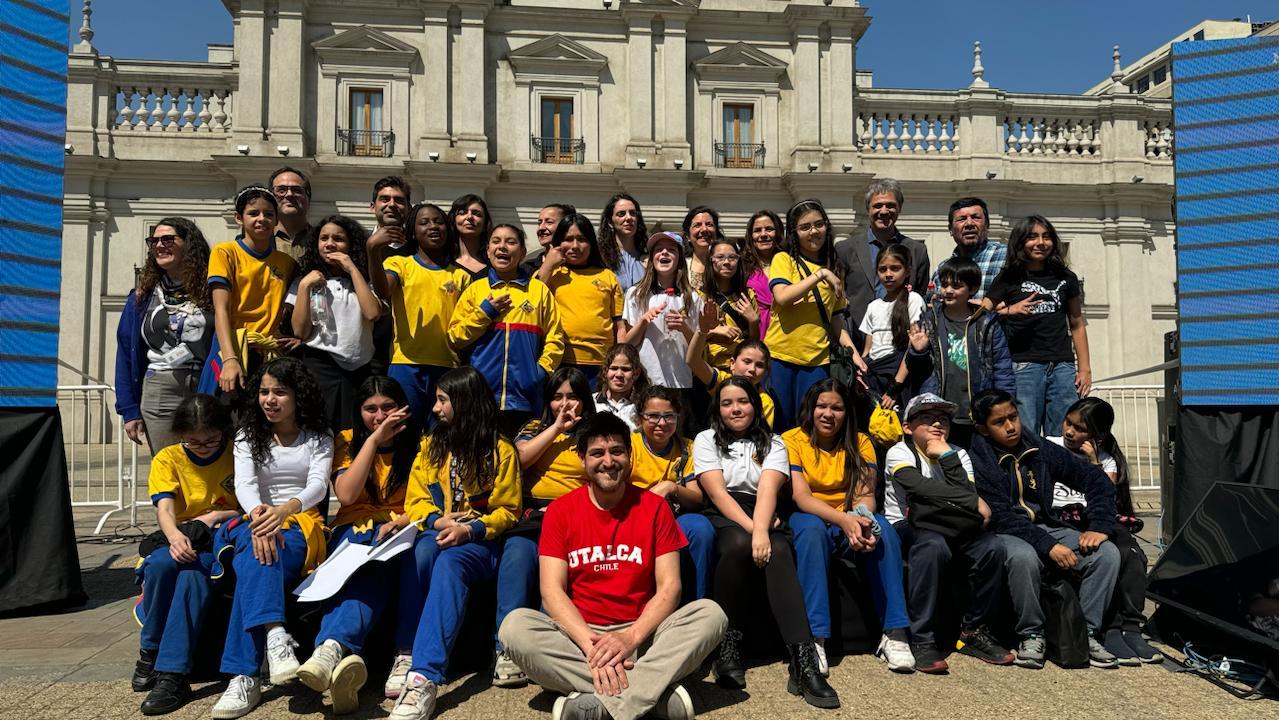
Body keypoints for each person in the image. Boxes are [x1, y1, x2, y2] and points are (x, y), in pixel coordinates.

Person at [500, 413, 728, 720]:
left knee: (711, 614)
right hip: (581, 641)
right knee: (515, 627)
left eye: (617, 451)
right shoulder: (560, 512)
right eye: (597, 453)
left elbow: (671, 587)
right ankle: (651, 695)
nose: (609, 461)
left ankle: (600, 706)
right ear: (582, 459)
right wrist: (592, 647)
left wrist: (631, 638)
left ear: (629, 455)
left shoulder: (654, 508)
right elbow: (551, 592)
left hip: (644, 636)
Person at [386, 367, 522, 720]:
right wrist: (438, 520)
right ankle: (406, 652)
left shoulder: (500, 449)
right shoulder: (432, 445)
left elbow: (508, 510)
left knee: (449, 560)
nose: (434, 408)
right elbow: (415, 500)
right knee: (422, 551)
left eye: (443, 400)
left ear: (465, 402)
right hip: (439, 532)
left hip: (483, 543)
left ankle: (424, 677)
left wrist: (471, 530)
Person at [694, 377, 837, 709]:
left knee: (781, 550)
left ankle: (803, 662)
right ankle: (727, 647)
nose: (735, 408)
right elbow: (716, 493)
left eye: (742, 401)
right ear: (717, 408)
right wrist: (755, 531)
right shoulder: (705, 439)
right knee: (738, 545)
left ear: (755, 406)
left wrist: (762, 529)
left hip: (764, 507)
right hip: (725, 511)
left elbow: (769, 490)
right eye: (727, 402)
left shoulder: (774, 442)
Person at [212, 357, 332, 719]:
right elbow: (246, 485)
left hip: (300, 523)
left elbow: (318, 484)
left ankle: (244, 676)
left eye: (280, 392)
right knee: (257, 548)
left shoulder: (319, 435)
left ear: (298, 396)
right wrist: (262, 516)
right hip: (253, 519)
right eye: (264, 391)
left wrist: (284, 512)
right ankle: (277, 636)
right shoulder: (249, 434)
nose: (270, 399)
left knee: (253, 562)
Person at [968, 388, 1121, 670]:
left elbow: (1095, 480)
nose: (1011, 426)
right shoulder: (978, 459)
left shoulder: (1036, 446)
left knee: (1106, 553)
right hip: (1004, 533)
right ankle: (1031, 633)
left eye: (1013, 416)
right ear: (982, 428)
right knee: (1023, 557)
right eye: (999, 422)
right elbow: (1001, 516)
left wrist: (1100, 525)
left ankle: (1085, 633)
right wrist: (1048, 546)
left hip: (1045, 526)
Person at [295, 376, 419, 712]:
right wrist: (375, 440)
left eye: (388, 407)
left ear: (402, 408)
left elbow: (428, 501)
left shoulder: (421, 443)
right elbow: (347, 494)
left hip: (403, 527)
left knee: (379, 564)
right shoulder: (347, 441)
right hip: (354, 529)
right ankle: (342, 653)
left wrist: (401, 521)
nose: (380, 415)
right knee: (368, 565)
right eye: (370, 409)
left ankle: (330, 651)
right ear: (358, 411)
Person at [783, 379, 914, 674]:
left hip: (850, 515)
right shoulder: (791, 440)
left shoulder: (861, 441)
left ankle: (894, 633)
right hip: (811, 516)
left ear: (847, 412)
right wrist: (844, 520)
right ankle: (814, 638)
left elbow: (865, 496)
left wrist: (861, 522)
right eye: (822, 406)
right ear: (810, 409)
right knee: (811, 531)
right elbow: (801, 497)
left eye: (837, 408)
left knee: (885, 531)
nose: (828, 414)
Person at [884, 393, 1014, 674]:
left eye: (943, 419)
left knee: (992, 548)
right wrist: (971, 501)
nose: (936, 425)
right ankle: (921, 638)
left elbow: (966, 492)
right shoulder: (899, 452)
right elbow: (918, 488)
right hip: (908, 526)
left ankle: (973, 631)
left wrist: (944, 455)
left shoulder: (957, 453)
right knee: (933, 546)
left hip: (952, 525)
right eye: (926, 418)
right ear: (907, 427)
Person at [132, 395, 240, 715]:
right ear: (181, 435)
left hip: (220, 539)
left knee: (193, 575)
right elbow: (164, 508)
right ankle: (151, 650)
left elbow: (250, 504)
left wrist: (212, 518)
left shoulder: (237, 453)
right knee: (162, 564)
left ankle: (171, 673)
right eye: (193, 442)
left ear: (224, 431)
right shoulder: (168, 458)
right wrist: (176, 536)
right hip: (178, 535)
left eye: (211, 440)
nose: (203, 447)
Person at [495, 366, 599, 689]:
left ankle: (551, 650)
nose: (565, 404)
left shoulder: (595, 433)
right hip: (533, 514)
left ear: (585, 400)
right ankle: (506, 651)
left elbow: (604, 475)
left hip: (576, 515)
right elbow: (520, 459)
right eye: (557, 397)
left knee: (559, 568)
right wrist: (556, 428)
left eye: (572, 397)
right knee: (517, 554)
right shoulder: (533, 427)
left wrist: (566, 507)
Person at [1047, 397, 1162, 664]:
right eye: (1068, 423)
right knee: (1106, 554)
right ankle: (1110, 627)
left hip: (1093, 521)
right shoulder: (1049, 446)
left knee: (1131, 553)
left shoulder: (1106, 462)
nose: (1070, 432)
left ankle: (1130, 628)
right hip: (1062, 520)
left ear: (1097, 436)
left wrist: (1093, 461)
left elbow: (1103, 498)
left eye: (1080, 429)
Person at [448, 224, 564, 435]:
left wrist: (541, 372)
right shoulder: (475, 290)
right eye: (496, 241)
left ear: (522, 252)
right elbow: (456, 337)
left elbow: (555, 337)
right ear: (488, 250)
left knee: (523, 458)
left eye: (510, 242)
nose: (502, 247)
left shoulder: (538, 291)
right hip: (481, 397)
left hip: (526, 398)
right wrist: (485, 313)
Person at [984, 215, 1091, 437]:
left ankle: (1057, 473)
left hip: (1062, 366)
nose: (1040, 242)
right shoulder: (1008, 277)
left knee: (1063, 434)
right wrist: (1010, 310)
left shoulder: (1066, 277)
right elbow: (982, 313)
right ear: (1020, 242)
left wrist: (1084, 368)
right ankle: (1030, 473)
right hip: (1023, 366)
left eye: (1046, 236)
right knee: (1026, 432)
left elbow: (1077, 323)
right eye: (1032, 237)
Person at [766, 199, 866, 431]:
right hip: (781, 356)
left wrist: (853, 354)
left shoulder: (834, 267)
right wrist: (820, 275)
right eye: (805, 227)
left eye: (819, 224)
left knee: (809, 426)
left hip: (817, 360)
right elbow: (782, 296)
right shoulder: (784, 259)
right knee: (780, 426)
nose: (814, 231)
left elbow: (835, 318)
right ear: (795, 233)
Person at [116, 217, 214, 454]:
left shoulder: (214, 291)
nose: (160, 245)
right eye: (154, 240)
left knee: (208, 467)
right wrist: (129, 409)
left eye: (168, 239)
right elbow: (125, 352)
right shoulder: (141, 297)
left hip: (207, 386)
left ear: (190, 244)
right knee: (167, 469)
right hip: (160, 389)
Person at [370, 201, 471, 429]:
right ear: (413, 232)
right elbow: (383, 290)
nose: (433, 227)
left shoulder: (461, 276)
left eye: (438, 222)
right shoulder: (400, 264)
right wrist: (373, 250)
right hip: (406, 365)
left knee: (442, 436)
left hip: (447, 367)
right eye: (424, 222)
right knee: (403, 433)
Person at [287, 215, 381, 432]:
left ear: (350, 244)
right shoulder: (305, 279)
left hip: (358, 368)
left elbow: (373, 312)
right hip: (319, 365)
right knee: (317, 429)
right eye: (324, 238)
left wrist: (352, 269)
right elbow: (300, 331)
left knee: (353, 431)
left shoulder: (366, 279)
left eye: (338, 239)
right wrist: (304, 287)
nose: (330, 244)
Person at [207, 186, 299, 396]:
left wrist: (301, 337)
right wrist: (230, 360)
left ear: (276, 220)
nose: (262, 219)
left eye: (268, 214)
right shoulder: (225, 252)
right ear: (239, 218)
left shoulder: (287, 263)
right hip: (232, 348)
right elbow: (221, 309)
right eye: (253, 213)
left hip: (271, 355)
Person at [627, 386, 716, 603]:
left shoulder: (687, 447)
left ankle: (695, 605)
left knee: (700, 528)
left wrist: (671, 487)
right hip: (634, 514)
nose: (662, 423)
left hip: (675, 516)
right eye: (653, 416)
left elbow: (696, 498)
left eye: (669, 416)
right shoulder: (629, 444)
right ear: (640, 419)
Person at [917, 257, 1016, 448]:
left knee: (979, 464)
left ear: (972, 289)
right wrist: (917, 351)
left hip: (977, 411)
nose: (948, 290)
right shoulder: (930, 321)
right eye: (944, 284)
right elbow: (918, 368)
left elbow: (1002, 367)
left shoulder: (987, 323)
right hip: (941, 410)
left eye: (956, 286)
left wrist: (1004, 403)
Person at [622, 231, 702, 425]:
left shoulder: (692, 297)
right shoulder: (636, 294)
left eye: (671, 250)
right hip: (646, 379)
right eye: (658, 249)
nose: (664, 253)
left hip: (681, 381)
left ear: (680, 258)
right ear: (651, 258)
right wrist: (643, 321)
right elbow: (626, 344)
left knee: (675, 433)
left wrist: (684, 327)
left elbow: (699, 347)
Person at [537, 213, 625, 387]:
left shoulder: (607, 276)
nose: (575, 246)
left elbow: (620, 325)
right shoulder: (550, 275)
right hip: (558, 361)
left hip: (601, 364)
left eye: (581, 239)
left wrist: (620, 361)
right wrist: (548, 264)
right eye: (568, 239)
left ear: (591, 243)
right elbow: (532, 301)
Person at [835, 179, 931, 335]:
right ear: (868, 209)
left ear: (899, 208)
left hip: (903, 339)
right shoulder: (845, 249)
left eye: (891, 205)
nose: (884, 211)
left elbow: (920, 294)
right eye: (878, 206)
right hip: (858, 341)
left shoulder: (917, 251)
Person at [859, 243, 926, 410]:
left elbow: (913, 348)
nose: (888, 274)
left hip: (899, 378)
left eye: (895, 268)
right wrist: (861, 372)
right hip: (874, 377)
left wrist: (896, 386)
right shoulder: (873, 306)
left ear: (908, 271)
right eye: (883, 269)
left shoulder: (914, 299)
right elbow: (868, 349)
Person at [687, 303, 776, 429]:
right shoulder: (722, 382)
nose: (752, 369)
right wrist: (703, 331)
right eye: (747, 361)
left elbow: (762, 438)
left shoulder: (764, 401)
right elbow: (693, 361)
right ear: (732, 363)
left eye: (760, 365)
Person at [365, 176, 413, 375]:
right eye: (384, 199)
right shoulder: (356, 246)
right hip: (365, 353)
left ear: (409, 208)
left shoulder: (419, 250)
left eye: (399, 200)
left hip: (408, 353)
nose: (391, 205)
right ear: (372, 207)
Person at [700, 238, 760, 372]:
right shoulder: (699, 296)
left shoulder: (747, 295)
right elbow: (689, 336)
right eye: (720, 257)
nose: (727, 262)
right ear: (711, 260)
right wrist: (713, 331)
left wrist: (753, 321)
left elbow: (754, 343)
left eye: (732, 257)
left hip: (741, 369)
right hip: (710, 370)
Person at [928, 197, 1006, 300]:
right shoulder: (942, 269)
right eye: (962, 219)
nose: (969, 224)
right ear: (950, 229)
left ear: (987, 225)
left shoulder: (1007, 256)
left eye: (975, 217)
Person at [742, 209, 782, 339]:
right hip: (755, 334)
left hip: (786, 336)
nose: (763, 234)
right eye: (757, 230)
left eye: (769, 229)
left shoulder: (790, 264)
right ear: (750, 236)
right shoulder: (742, 268)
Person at [593, 343, 649, 432]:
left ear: (636, 373)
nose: (619, 374)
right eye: (614, 368)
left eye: (625, 369)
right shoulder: (591, 402)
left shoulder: (645, 406)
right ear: (605, 371)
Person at [598, 193, 649, 290]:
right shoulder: (600, 258)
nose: (628, 218)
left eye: (633, 213)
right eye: (621, 214)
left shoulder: (649, 258)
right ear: (610, 222)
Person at [269, 166, 312, 260]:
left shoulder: (323, 241)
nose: (289, 194)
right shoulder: (253, 242)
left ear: (308, 198)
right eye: (281, 190)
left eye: (297, 190)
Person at [520, 203, 575, 277]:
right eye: (539, 223)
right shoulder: (526, 268)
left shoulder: (579, 264)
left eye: (549, 222)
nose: (541, 228)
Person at [447, 193, 492, 278]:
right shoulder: (444, 264)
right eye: (462, 212)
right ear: (453, 220)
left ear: (485, 223)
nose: (469, 217)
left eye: (476, 214)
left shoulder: (495, 266)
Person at [682, 206, 723, 291]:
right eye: (697, 225)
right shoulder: (680, 266)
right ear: (688, 236)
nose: (704, 229)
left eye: (709, 224)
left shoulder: (727, 264)